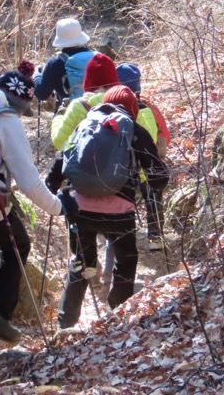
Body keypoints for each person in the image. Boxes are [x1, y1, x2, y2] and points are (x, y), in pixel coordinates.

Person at [0, 61, 77, 349]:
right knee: (17, 247)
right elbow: (30, 182)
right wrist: (58, 207)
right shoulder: (5, 119)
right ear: (18, 102)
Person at [57, 86, 169, 329]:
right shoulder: (134, 130)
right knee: (126, 260)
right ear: (132, 110)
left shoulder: (86, 125)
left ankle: (65, 326)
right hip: (119, 213)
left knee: (81, 263)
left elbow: (60, 162)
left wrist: (55, 195)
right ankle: (116, 321)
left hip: (79, 209)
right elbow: (158, 177)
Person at [46, 52, 120, 192]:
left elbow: (60, 142)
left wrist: (58, 117)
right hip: (120, 183)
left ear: (88, 80)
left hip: (82, 184)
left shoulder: (79, 106)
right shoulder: (126, 103)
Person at [116, 62, 167, 251]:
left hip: (122, 170)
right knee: (153, 198)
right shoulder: (147, 110)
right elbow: (157, 139)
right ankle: (155, 237)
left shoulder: (111, 111)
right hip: (146, 168)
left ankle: (125, 236)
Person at [33, 18, 94, 111]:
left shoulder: (55, 63)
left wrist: (36, 75)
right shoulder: (97, 58)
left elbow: (42, 94)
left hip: (69, 114)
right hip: (96, 112)